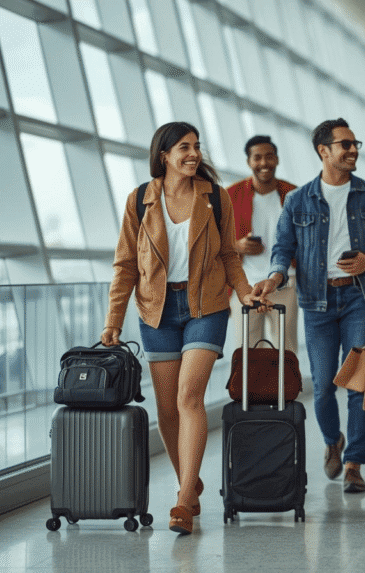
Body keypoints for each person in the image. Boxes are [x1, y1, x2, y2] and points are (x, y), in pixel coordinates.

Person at [101, 122, 256, 535]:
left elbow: (229, 254)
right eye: (184, 147)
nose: (193, 154)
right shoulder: (140, 201)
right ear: (164, 155)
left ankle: (184, 497)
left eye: (197, 146)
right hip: (156, 310)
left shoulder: (215, 199)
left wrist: (243, 293)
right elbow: (126, 265)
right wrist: (113, 321)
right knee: (167, 408)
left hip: (205, 305)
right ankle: (191, 478)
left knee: (190, 396)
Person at [253, 118, 365, 493]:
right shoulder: (297, 200)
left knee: (358, 384)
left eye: (354, 144)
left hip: (360, 299)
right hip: (316, 300)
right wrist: (274, 277)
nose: (352, 151)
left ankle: (354, 463)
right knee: (322, 385)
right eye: (344, 145)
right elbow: (283, 249)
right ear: (324, 151)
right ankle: (333, 440)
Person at [226, 135, 299, 353]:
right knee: (245, 350)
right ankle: (250, 389)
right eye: (257, 157)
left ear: (277, 159)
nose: (264, 163)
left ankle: (287, 388)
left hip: (285, 282)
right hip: (244, 286)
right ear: (249, 162)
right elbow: (216, 242)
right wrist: (237, 245)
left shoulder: (294, 194)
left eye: (269, 157)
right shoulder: (231, 195)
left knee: (286, 349)